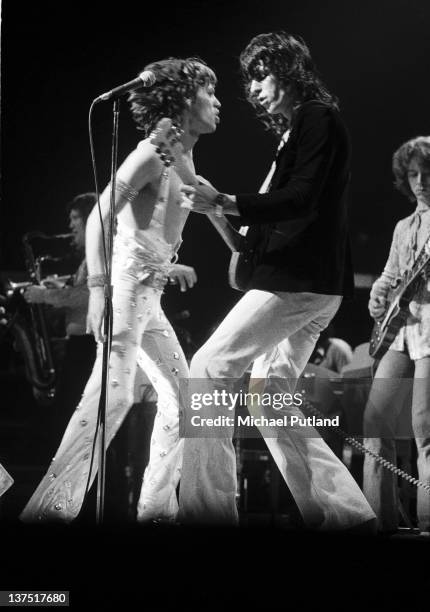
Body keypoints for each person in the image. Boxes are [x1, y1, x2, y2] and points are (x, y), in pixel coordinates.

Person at [179, 31, 375, 529]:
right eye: (250, 80)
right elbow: (256, 238)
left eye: (263, 75)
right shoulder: (295, 130)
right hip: (309, 284)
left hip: (299, 281)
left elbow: (303, 197)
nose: (254, 88)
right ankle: (347, 518)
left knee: (208, 369)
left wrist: (226, 201)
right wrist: (216, 208)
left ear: (289, 71)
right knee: (269, 399)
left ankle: (208, 516)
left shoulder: (317, 117)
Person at [20, 56, 219, 523]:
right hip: (124, 291)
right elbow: (100, 216)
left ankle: (154, 510)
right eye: (209, 93)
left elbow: (155, 229)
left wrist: (171, 262)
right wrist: (97, 290)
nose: (217, 103)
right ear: (184, 99)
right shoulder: (151, 153)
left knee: (182, 398)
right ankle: (48, 514)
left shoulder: (182, 154)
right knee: (113, 396)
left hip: (149, 295)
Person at [364, 136, 430, 534]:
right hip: (400, 331)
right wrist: (376, 295)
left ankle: (426, 523)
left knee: (425, 429)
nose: (420, 181)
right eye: (413, 174)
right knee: (374, 422)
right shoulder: (403, 226)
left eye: (427, 173)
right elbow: (390, 276)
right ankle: (378, 519)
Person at [23, 193, 98, 438]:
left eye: (75, 218)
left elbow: (89, 295)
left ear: (91, 220)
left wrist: (44, 295)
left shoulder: (102, 254)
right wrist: (58, 288)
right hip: (82, 345)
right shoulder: (92, 257)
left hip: (88, 346)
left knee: (69, 423)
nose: (70, 226)